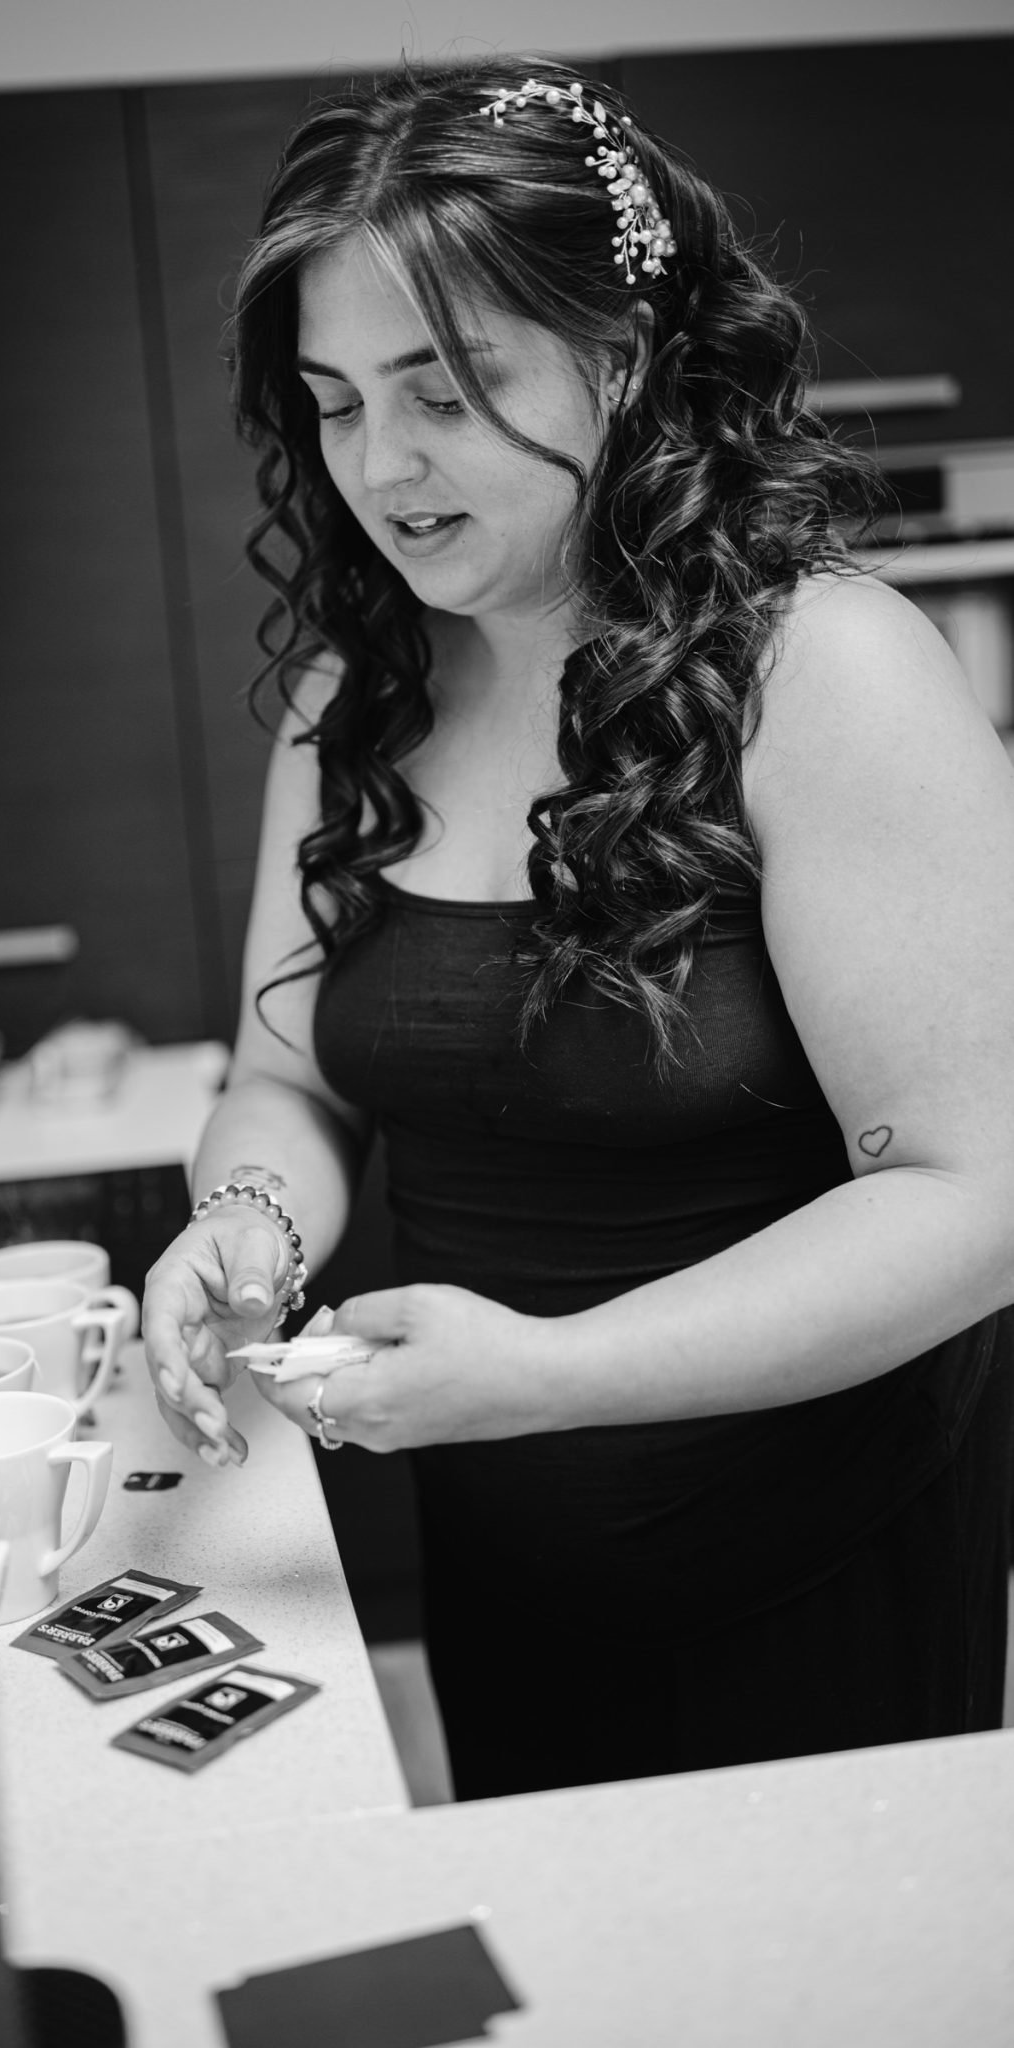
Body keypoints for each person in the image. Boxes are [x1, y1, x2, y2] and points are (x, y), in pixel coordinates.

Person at [140, 58, 1014, 1798]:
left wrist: (548, 1372)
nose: (378, 468)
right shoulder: (354, 695)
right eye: (328, 402)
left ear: (616, 363)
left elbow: (976, 1199)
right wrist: (241, 1221)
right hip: (506, 1542)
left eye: (441, 390)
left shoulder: (819, 667)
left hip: (803, 1567)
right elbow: (285, 1078)